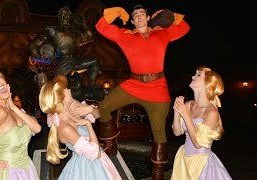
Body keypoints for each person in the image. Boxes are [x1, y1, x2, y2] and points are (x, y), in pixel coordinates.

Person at [95, 4, 190, 179]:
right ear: (132, 20)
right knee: (103, 107)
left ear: (147, 18)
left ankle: (158, 173)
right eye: (135, 15)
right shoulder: (125, 36)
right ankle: (111, 144)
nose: (139, 16)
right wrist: (115, 12)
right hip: (133, 85)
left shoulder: (162, 32)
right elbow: (101, 26)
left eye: (142, 14)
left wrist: (167, 14)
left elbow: (184, 27)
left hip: (158, 89)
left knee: (159, 134)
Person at [38, 75, 122, 180]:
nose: (69, 89)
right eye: (66, 89)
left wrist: (90, 109)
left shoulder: (69, 109)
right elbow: (94, 153)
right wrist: (87, 124)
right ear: (61, 97)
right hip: (89, 165)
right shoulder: (65, 128)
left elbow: (98, 114)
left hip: (94, 160)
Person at [28, 6, 103, 102]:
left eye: (67, 14)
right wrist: (40, 59)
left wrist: (83, 24)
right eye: (63, 14)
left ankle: (91, 87)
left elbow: (90, 36)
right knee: (62, 91)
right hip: (62, 64)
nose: (66, 16)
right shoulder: (52, 30)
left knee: (94, 61)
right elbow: (33, 45)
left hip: (75, 61)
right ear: (59, 17)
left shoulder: (74, 32)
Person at [171, 66, 232, 179]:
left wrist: (185, 115)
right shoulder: (189, 105)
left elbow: (198, 144)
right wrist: (176, 111)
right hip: (184, 160)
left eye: (198, 75)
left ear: (207, 84)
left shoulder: (212, 112)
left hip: (201, 163)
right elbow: (177, 132)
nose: (193, 76)